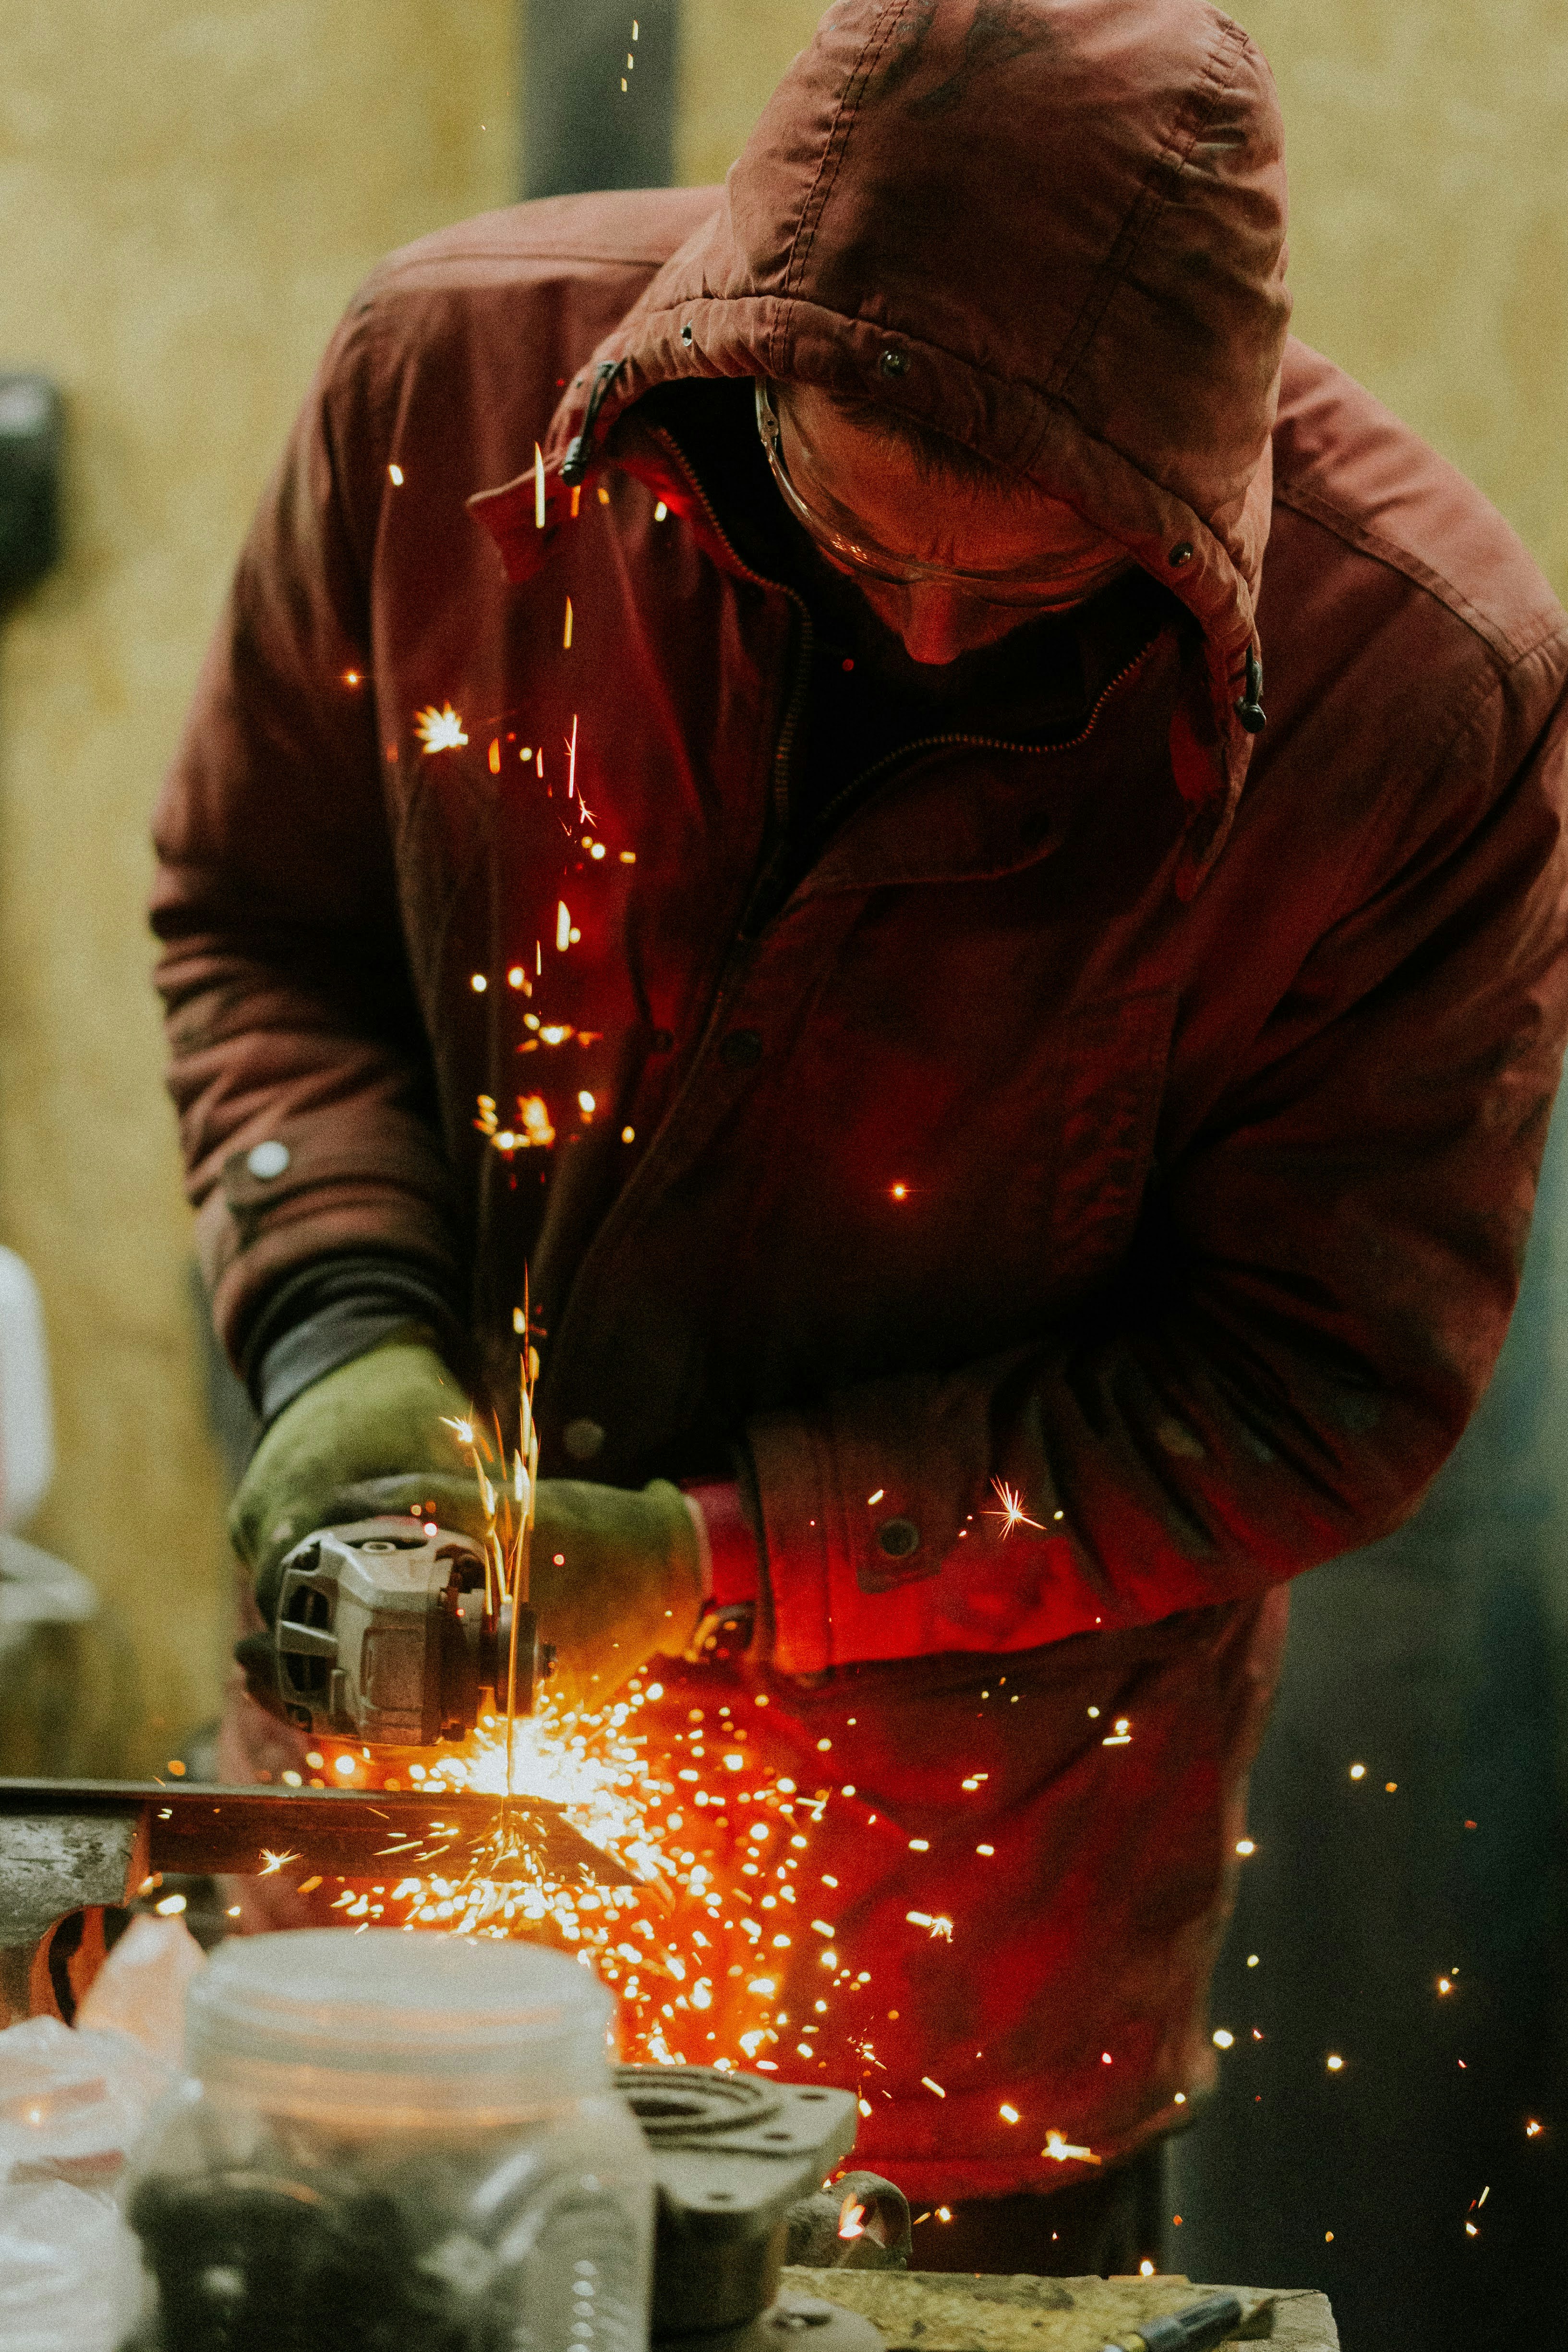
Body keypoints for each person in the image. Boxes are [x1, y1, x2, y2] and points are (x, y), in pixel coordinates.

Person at [151, 0, 1568, 2278]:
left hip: (950, 1957)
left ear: (1190, 518)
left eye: (1019, 593)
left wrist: (725, 1557)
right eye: (846, 525)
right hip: (389, 1905)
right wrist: (338, 1320)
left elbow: (1319, 1386)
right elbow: (259, 920)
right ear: (723, 368)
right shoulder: (450, 402)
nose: (918, 629)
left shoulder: (1416, 700)